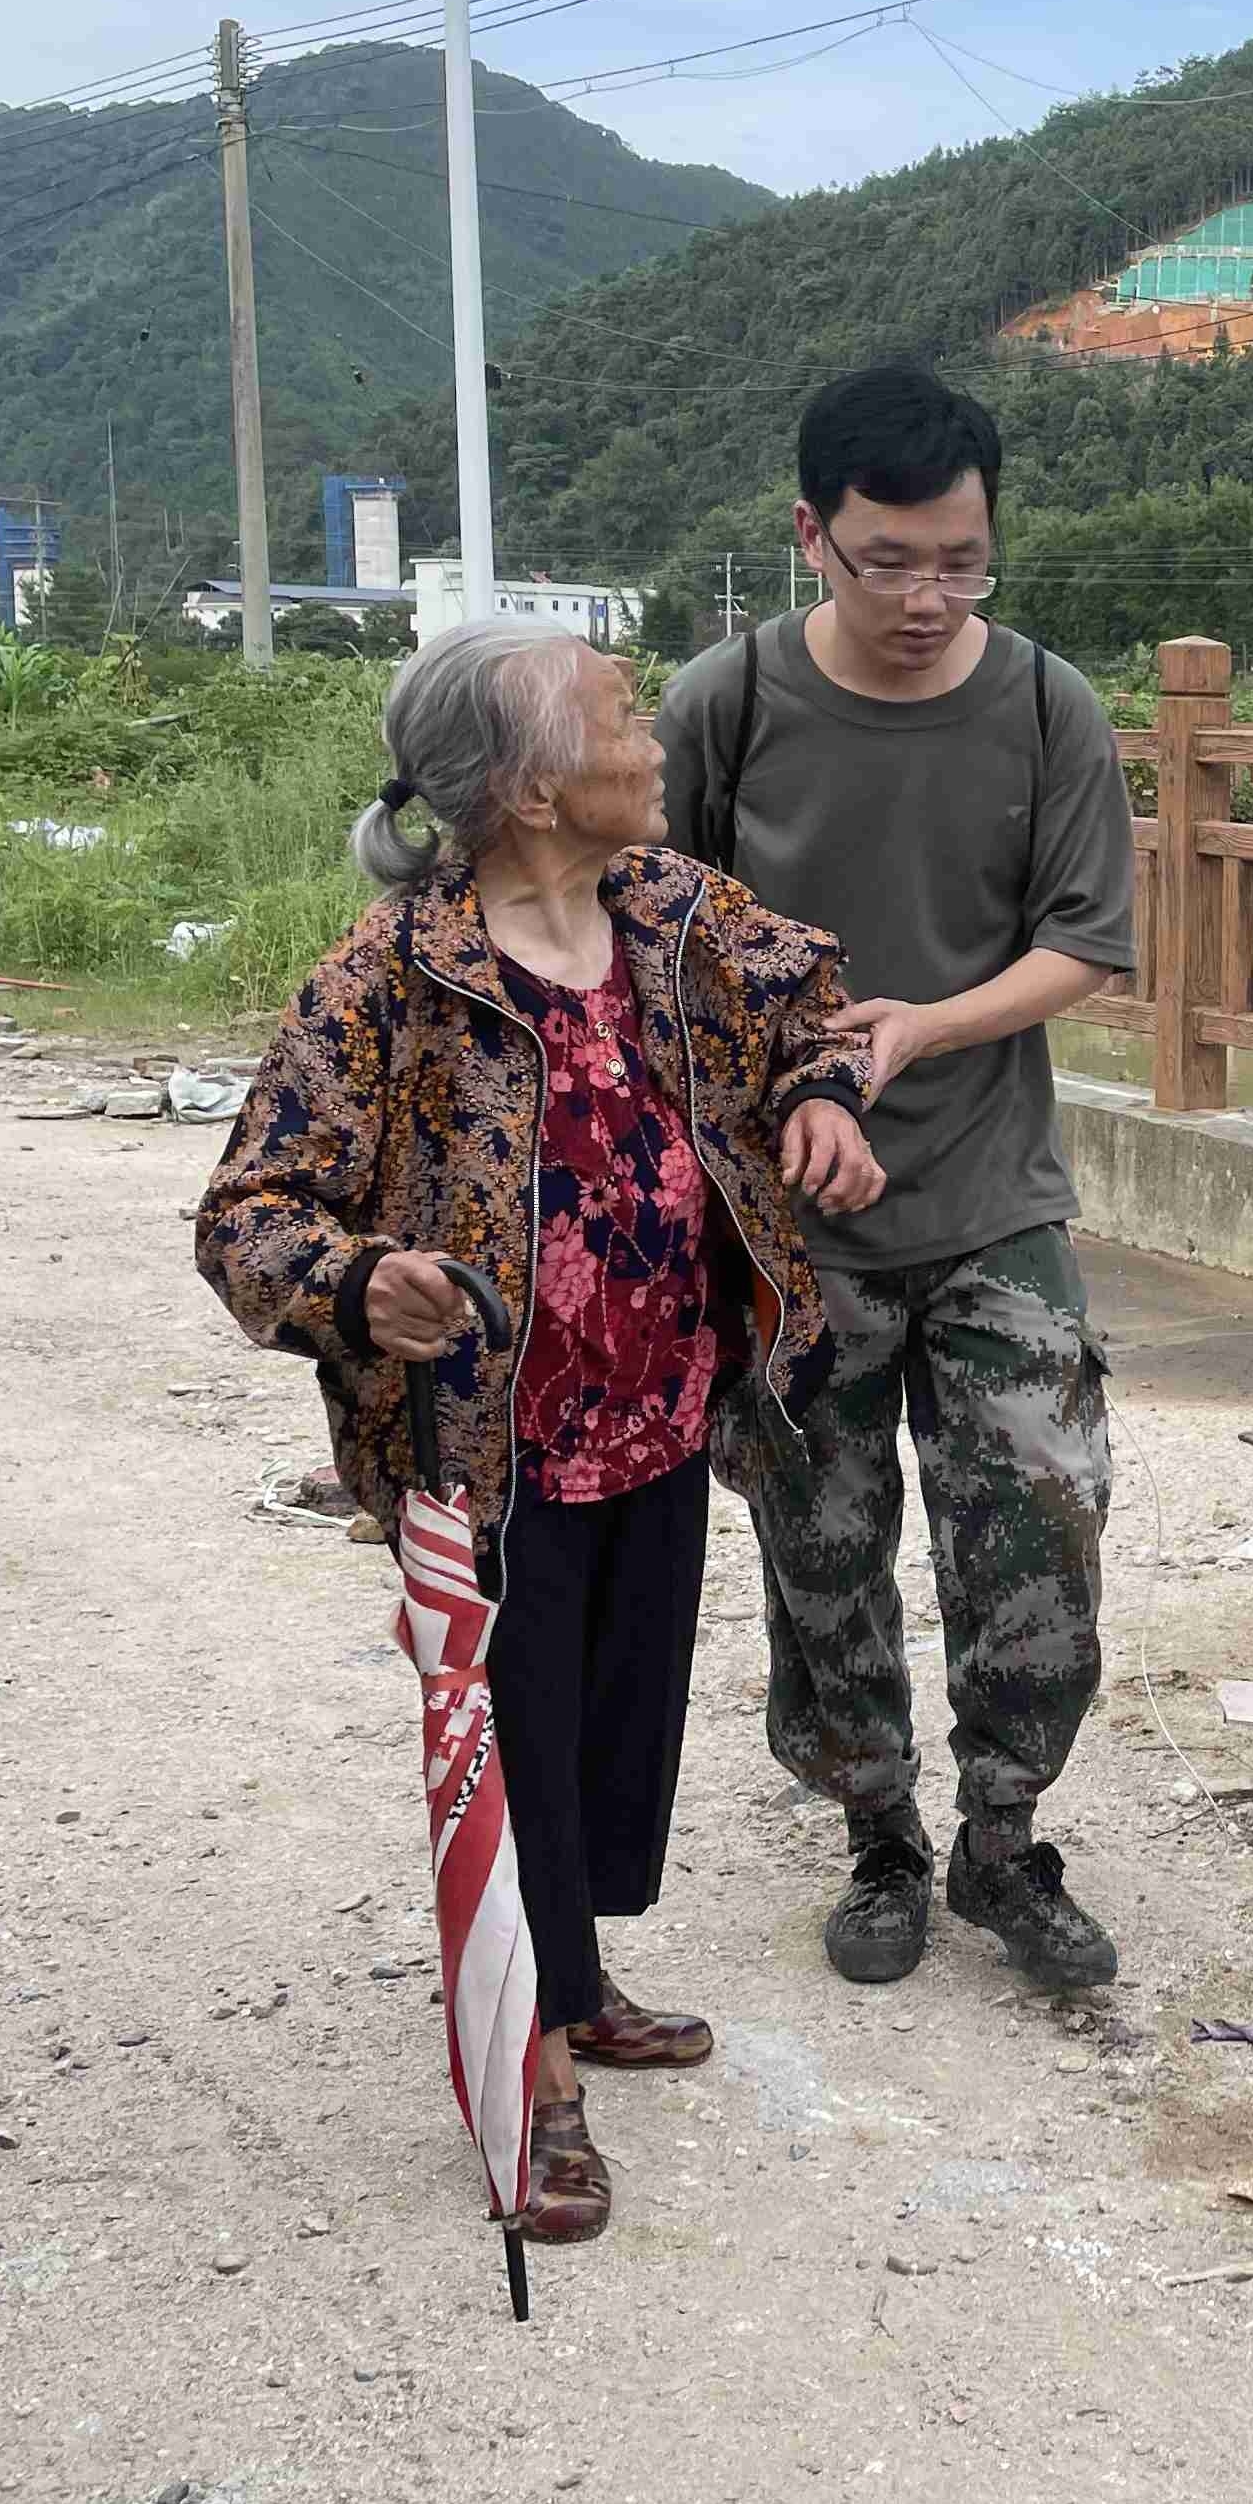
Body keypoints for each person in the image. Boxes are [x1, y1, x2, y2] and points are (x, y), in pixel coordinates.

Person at [196, 616, 888, 2240]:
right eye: (620, 716)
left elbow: (814, 1005)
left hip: (659, 1416)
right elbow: (249, 1213)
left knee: (613, 1735)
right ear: (526, 784)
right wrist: (363, 1282)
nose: (650, 742)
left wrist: (822, 1100)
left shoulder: (673, 913)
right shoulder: (392, 976)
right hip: (487, 1451)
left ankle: (571, 1974)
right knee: (510, 1756)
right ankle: (539, 2077)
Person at [657, 365, 1143, 1994]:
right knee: (823, 1538)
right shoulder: (723, 707)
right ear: (812, 538)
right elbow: (655, 948)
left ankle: (1006, 1837)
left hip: (998, 1195)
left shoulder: (1043, 706)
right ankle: (879, 1830)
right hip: (797, 1227)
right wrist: (791, 1091)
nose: (931, 596)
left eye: (963, 559)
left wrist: (925, 1028)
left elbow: (1084, 942)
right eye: (891, 559)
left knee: (1040, 1512)